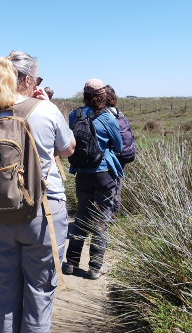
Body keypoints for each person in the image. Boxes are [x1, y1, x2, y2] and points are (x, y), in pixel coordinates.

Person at [0, 51, 76, 333]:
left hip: (1, 216)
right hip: (45, 213)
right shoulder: (46, 110)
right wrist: (48, 104)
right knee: (39, 295)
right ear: (27, 80)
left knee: (4, 295)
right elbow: (68, 149)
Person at [63, 79, 123, 280]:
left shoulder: (74, 115)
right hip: (104, 174)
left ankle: (71, 262)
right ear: (103, 96)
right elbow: (119, 145)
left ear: (85, 96)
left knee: (81, 217)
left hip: (82, 174)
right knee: (101, 221)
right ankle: (94, 267)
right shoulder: (108, 118)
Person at [104, 85, 135, 216]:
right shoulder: (119, 113)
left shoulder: (105, 114)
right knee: (118, 184)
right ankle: (113, 216)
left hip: (114, 154)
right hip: (126, 153)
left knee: (109, 185)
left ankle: (106, 216)